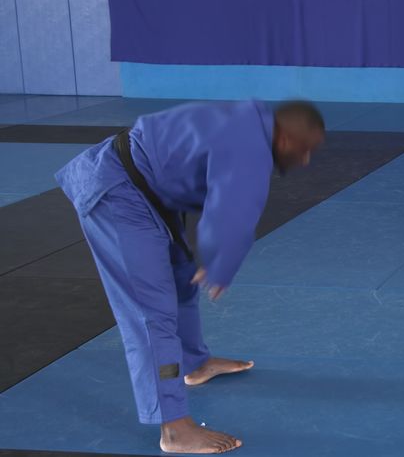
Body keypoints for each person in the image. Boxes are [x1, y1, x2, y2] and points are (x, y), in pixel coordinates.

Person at [55, 100, 325, 454]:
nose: (305, 161)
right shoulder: (250, 149)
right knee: (151, 314)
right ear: (286, 140)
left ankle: (196, 364)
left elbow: (220, 194)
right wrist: (220, 262)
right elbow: (233, 211)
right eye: (305, 151)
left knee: (184, 280)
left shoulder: (252, 120)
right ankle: (174, 429)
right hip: (118, 193)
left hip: (148, 189)